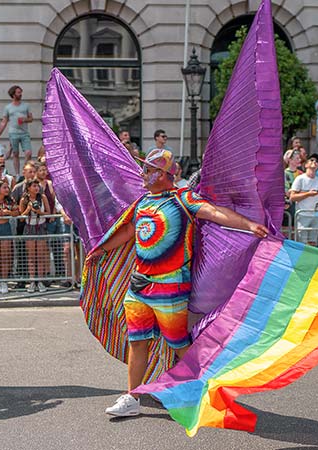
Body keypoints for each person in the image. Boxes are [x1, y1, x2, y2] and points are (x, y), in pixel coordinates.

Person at [93, 149, 267, 417]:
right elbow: (128, 231)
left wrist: (248, 225)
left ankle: (203, 388)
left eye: (148, 170)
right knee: (137, 342)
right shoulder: (142, 203)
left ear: (163, 174)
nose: (143, 174)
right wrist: (102, 250)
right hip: (139, 287)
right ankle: (132, 398)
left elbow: (213, 211)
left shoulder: (183, 199)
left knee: (178, 344)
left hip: (170, 289)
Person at [19, 179, 50, 293]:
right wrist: (28, 209)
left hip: (41, 226)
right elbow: (21, 217)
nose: (36, 188)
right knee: (31, 256)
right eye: (33, 186)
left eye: (37, 186)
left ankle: (40, 281)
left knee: (40, 255)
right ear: (28, 188)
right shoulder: (24, 199)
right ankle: (32, 281)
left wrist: (39, 212)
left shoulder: (42, 197)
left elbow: (48, 212)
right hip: (29, 227)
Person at [0, 85, 33, 175]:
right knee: (15, 154)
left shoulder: (26, 106)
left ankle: (25, 171)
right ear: (13, 94)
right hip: (13, 133)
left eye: (21, 92)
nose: (20, 94)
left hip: (24, 133)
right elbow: (4, 121)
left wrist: (25, 119)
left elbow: (31, 118)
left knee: (28, 153)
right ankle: (17, 174)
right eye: (18, 92)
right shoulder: (8, 107)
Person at [290, 154, 318, 246]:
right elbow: (292, 197)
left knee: (313, 242)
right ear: (306, 165)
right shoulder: (300, 179)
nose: (314, 162)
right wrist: (308, 194)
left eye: (316, 161)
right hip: (302, 215)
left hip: (316, 215)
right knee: (302, 242)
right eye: (312, 160)